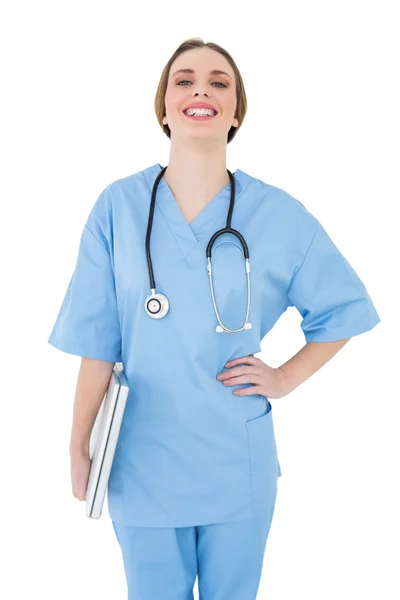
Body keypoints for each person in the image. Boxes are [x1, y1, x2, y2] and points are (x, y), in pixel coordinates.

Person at [48, 37, 381, 600]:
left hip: (236, 459)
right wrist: (79, 446)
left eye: (218, 82)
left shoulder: (278, 214)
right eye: (183, 80)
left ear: (235, 112)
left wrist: (284, 377)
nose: (200, 88)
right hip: (140, 458)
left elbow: (345, 309)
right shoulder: (118, 207)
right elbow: (96, 342)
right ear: (163, 107)